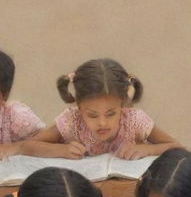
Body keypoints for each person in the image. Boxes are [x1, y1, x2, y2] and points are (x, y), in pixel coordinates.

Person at [34, 57, 180, 159]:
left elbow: (176, 147)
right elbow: (29, 145)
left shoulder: (134, 121)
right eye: (92, 115)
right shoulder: (72, 121)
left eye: (111, 114)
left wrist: (149, 149)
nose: (102, 123)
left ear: (122, 104)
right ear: (78, 107)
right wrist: (61, 150)